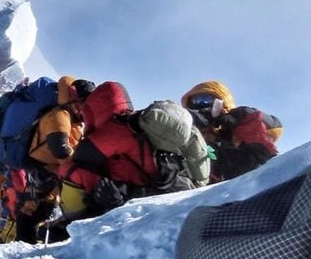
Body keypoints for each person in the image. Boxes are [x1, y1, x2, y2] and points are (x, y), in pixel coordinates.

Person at [60, 81, 209, 223]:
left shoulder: (117, 129)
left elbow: (83, 156)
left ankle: (71, 223)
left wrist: (117, 198)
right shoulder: (138, 121)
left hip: (149, 195)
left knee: (71, 171)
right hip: (169, 186)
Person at [182, 81, 282, 181]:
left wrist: (246, 116)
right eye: (194, 102)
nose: (199, 105)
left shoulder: (237, 129)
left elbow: (274, 127)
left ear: (221, 103)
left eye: (205, 99)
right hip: (200, 190)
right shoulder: (186, 136)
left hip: (250, 183)